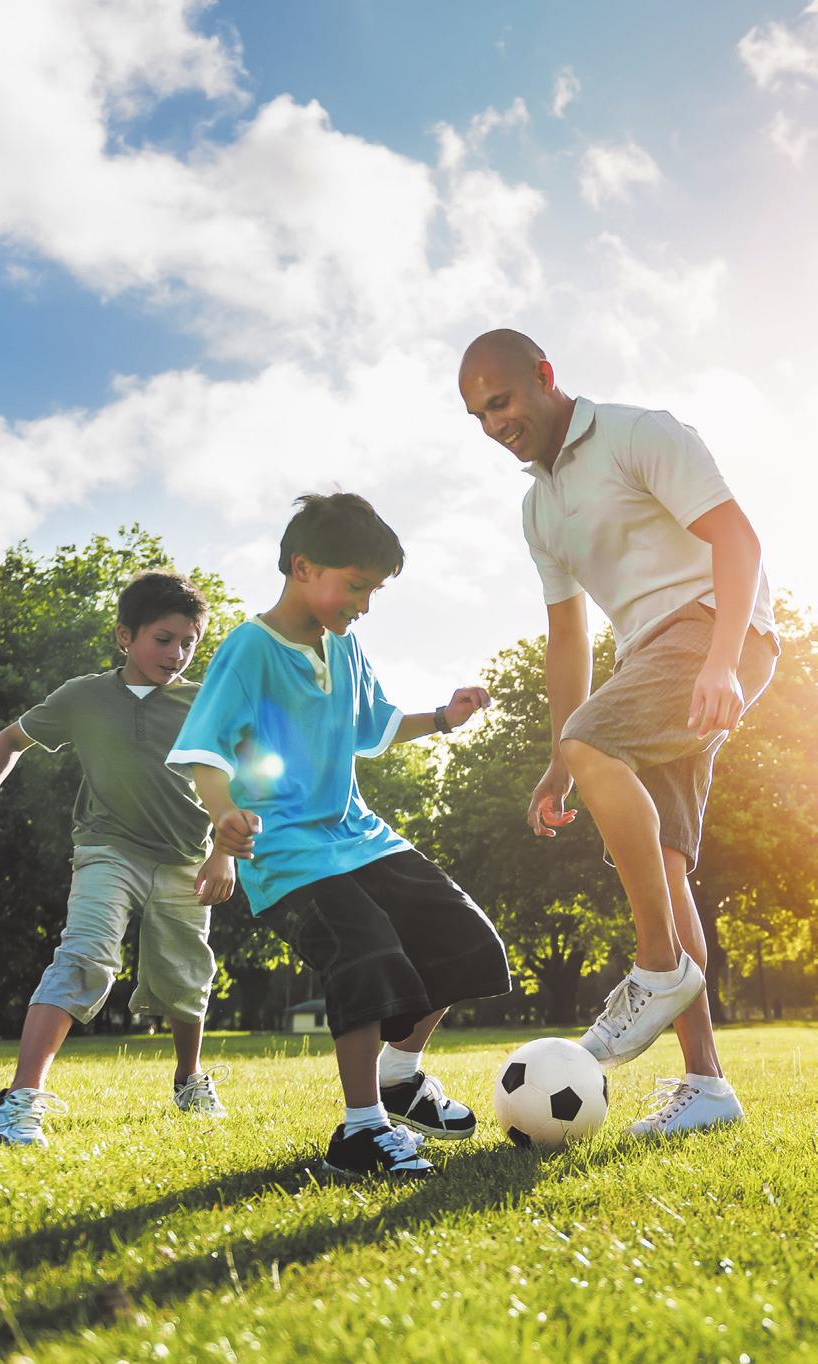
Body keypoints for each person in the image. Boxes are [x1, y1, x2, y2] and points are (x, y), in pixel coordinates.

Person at [458, 328, 778, 1136]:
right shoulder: (539, 508)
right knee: (665, 864)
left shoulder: (640, 433)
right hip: (648, 658)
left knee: (596, 743)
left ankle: (659, 967)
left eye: (500, 401)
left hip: (714, 629)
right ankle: (706, 1086)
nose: (494, 424)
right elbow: (569, 638)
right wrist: (558, 761)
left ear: (544, 376)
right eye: (477, 415)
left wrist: (720, 660)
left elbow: (738, 540)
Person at [166, 493, 511, 1180]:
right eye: (357, 585)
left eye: (374, 589)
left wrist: (443, 717)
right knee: (367, 952)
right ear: (302, 567)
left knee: (465, 936)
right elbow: (204, 747)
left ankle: (399, 1076)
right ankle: (360, 1129)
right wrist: (222, 811)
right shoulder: (249, 650)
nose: (365, 603)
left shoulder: (346, 645)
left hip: (359, 834)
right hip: (288, 851)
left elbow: (372, 726)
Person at [0, 571, 233, 1146]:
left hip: (185, 859)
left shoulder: (204, 704)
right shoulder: (83, 696)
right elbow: (8, 741)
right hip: (108, 850)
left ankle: (189, 1078)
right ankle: (19, 1102)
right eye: (163, 639)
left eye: (189, 642)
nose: (176, 654)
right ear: (126, 635)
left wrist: (224, 853)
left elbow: (231, 784)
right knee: (85, 957)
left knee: (185, 978)